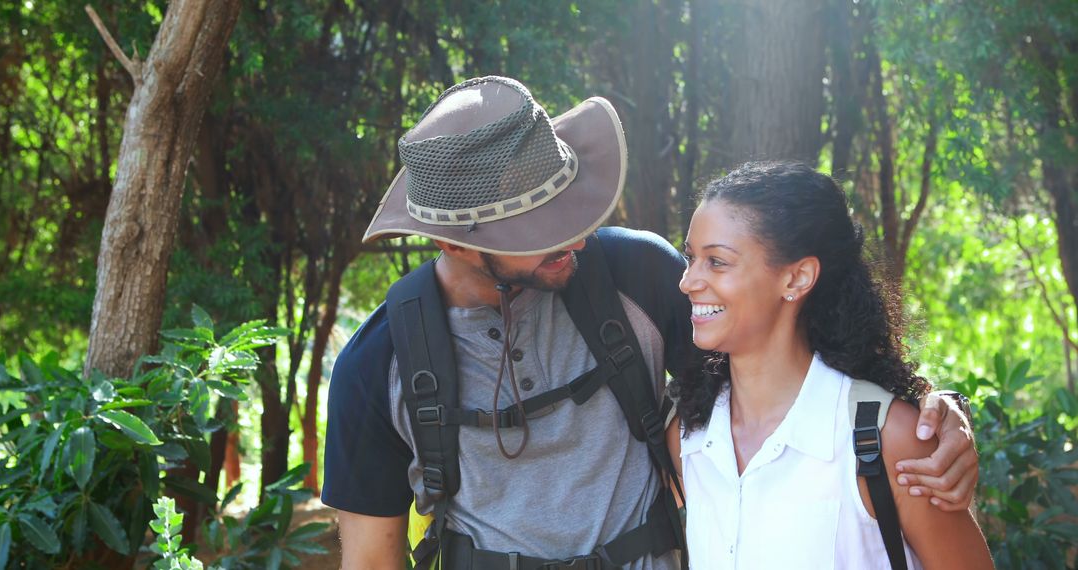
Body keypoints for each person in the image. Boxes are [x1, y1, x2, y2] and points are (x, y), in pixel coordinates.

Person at [321, 76, 979, 570]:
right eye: (540, 231)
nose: (573, 238)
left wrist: (925, 413)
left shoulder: (632, 274)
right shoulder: (379, 364)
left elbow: (778, 360)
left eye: (571, 210)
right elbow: (373, 558)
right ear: (456, 244)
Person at [667, 162, 993, 568]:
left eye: (716, 262)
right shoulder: (689, 438)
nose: (688, 281)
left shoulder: (888, 440)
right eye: (690, 258)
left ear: (797, 278)